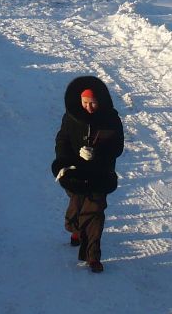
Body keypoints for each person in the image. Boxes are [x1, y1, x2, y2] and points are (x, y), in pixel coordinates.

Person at [51, 76, 124, 273]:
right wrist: (65, 162)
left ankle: (93, 256)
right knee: (75, 212)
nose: (89, 107)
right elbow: (62, 141)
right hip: (76, 173)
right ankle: (76, 230)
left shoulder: (111, 119)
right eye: (85, 103)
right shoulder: (71, 117)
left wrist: (98, 153)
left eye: (93, 103)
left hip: (100, 173)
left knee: (95, 212)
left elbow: (118, 147)